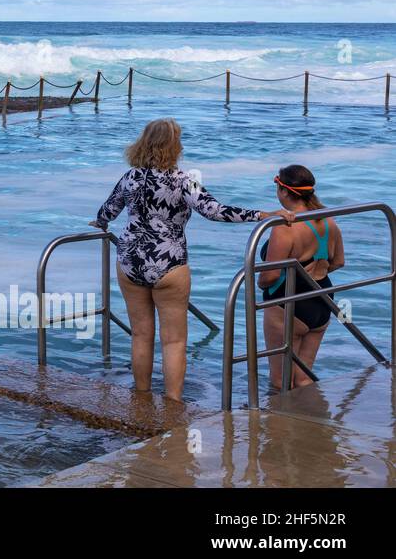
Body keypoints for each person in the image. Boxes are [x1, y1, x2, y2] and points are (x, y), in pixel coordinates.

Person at [93, 118, 291, 401]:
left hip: (130, 260)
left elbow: (107, 213)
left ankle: (142, 398)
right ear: (174, 146)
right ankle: (172, 404)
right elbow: (214, 211)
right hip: (168, 262)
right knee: (173, 341)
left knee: (140, 335)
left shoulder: (130, 177)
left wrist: (98, 223)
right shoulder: (184, 182)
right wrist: (262, 215)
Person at [258, 165, 344, 392]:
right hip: (322, 298)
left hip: (288, 301)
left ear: (284, 191)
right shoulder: (326, 220)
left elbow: (270, 276)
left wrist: (258, 284)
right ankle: (312, 421)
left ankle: (282, 427)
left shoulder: (284, 227)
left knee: (280, 381)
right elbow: (338, 262)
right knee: (303, 378)